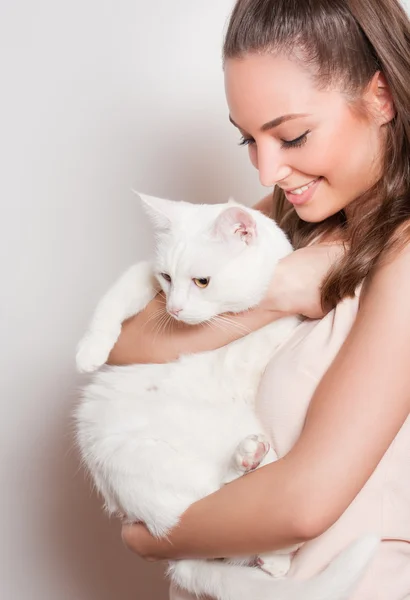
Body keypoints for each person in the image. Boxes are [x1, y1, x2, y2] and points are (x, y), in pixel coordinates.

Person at [108, 1, 410, 598]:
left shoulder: (403, 256)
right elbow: (125, 347)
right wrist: (276, 293)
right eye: (248, 138)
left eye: (292, 134)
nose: (268, 170)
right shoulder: (301, 216)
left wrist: (150, 538)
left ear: (381, 98)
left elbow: (305, 503)